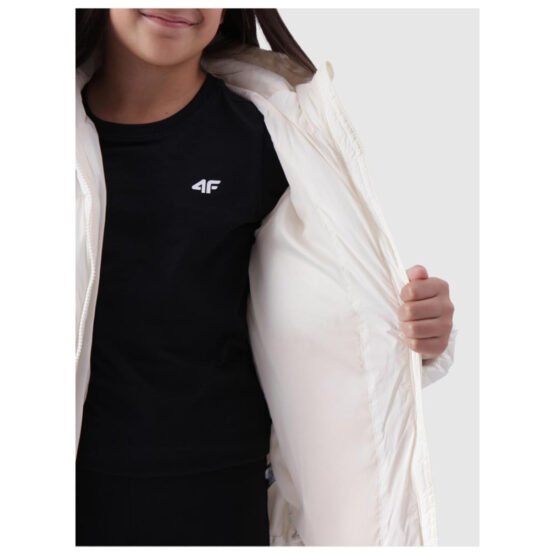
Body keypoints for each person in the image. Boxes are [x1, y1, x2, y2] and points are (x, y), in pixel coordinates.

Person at [75, 8, 456, 546]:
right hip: (70, 496)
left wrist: (420, 330)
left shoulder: (274, 137)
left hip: (222, 496)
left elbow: (342, 316)